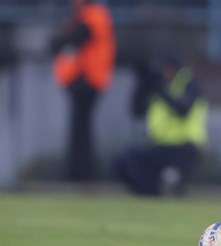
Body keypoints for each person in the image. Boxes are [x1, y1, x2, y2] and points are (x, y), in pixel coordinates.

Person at [116, 50, 207, 196]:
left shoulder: (189, 83)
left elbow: (183, 110)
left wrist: (160, 90)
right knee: (124, 162)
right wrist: (142, 86)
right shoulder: (157, 85)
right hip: (159, 146)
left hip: (185, 147)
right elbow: (137, 111)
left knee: (171, 175)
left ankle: (170, 187)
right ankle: (153, 194)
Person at [50, 0, 115, 182]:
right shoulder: (84, 16)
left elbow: (80, 35)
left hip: (90, 79)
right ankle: (79, 173)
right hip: (83, 78)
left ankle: (82, 174)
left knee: (81, 128)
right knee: (80, 127)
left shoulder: (95, 15)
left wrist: (59, 39)